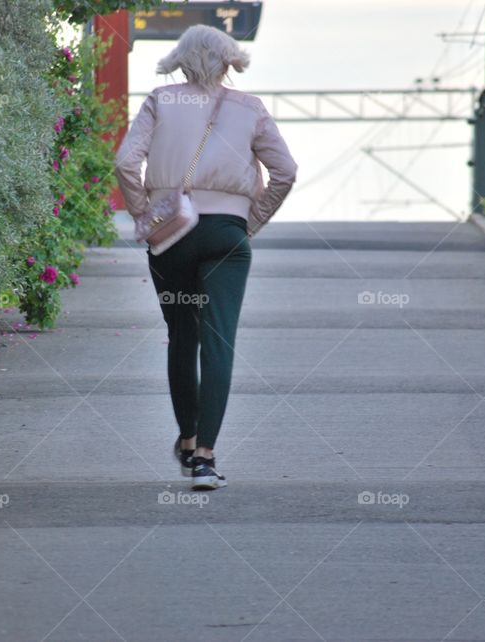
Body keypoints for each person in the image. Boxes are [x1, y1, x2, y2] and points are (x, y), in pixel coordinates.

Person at [115, 25, 297, 490]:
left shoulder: (160, 99)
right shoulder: (250, 108)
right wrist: (247, 222)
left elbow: (124, 162)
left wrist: (145, 214)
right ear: (228, 61)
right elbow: (285, 172)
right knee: (219, 341)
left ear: (181, 59)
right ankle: (204, 459)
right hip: (224, 237)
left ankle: (188, 435)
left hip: (172, 233)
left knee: (183, 335)